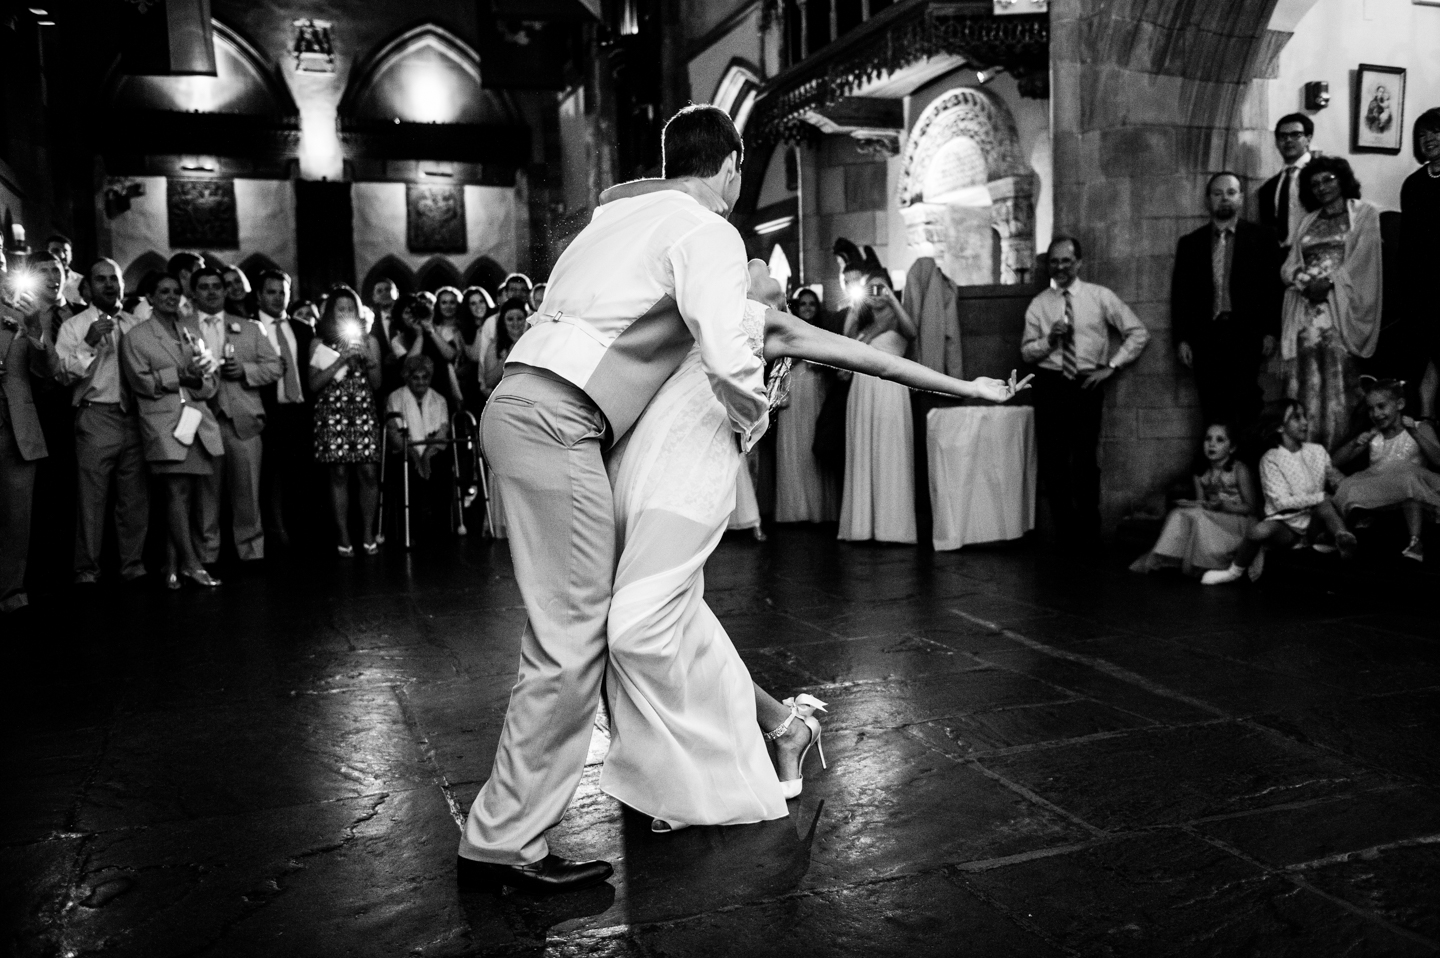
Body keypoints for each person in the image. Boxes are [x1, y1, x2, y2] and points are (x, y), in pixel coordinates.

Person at [1022, 236, 1150, 545]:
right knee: (1053, 461)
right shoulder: (1040, 304)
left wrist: (1113, 366)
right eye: (1054, 261)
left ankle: (1089, 532)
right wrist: (1049, 341)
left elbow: (1137, 332)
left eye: (1066, 261)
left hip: (1085, 385)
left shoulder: (1099, 297)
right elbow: (1026, 353)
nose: (1060, 267)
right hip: (1051, 384)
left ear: (1079, 262)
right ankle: (1065, 532)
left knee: (1084, 460)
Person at [120, 274, 223, 589]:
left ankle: (172, 565)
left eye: (176, 291)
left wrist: (198, 380)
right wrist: (178, 376)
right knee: (176, 491)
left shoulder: (190, 333)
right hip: (161, 419)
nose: (171, 296)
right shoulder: (136, 336)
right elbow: (141, 383)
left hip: (192, 417)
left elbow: (208, 382)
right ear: (150, 297)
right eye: (163, 291)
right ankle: (192, 563)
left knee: (185, 494)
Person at [54, 258, 150, 585]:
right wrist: (89, 342)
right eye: (101, 280)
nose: (109, 285)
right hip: (96, 415)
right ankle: (88, 570)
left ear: (123, 285)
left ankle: (132, 566)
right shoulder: (75, 326)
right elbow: (63, 374)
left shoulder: (137, 325)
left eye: (114, 279)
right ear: (89, 287)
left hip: (135, 417)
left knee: (134, 499)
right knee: (91, 501)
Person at [1281, 156, 1383, 450]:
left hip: (1340, 311)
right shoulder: (1308, 221)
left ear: (1342, 180)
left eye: (1328, 180)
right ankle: (1306, 451)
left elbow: (1363, 262)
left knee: (1337, 380)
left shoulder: (1364, 214)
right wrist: (1301, 278)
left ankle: (1338, 453)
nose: (1322, 187)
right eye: (1314, 184)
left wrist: (1328, 284)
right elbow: (1289, 265)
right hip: (1304, 314)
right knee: (1307, 381)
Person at [1202, 400, 1356, 585]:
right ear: (1280, 427)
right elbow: (1281, 503)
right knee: (1259, 530)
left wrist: (1348, 487)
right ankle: (1234, 571)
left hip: (1315, 520)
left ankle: (1343, 538)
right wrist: (1319, 496)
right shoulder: (1270, 459)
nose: (1305, 422)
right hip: (1288, 523)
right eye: (1296, 418)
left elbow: (1334, 477)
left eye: (1304, 416)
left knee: (1325, 506)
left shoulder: (1317, 451)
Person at [1172, 173, 1281, 431]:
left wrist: (1271, 332)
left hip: (1246, 333)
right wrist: (1182, 338)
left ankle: (1245, 466)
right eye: (1217, 193)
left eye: (1231, 192)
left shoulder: (1262, 238)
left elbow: (1273, 289)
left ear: (1241, 198)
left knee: (1247, 404)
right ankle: (1219, 468)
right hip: (1205, 335)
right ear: (1208, 200)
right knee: (1211, 405)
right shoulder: (1190, 243)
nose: (1224, 199)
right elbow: (1180, 294)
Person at [191, 265, 282, 564]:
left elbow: (275, 367)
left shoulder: (250, 327)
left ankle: (252, 552)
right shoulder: (182, 327)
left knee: (248, 493)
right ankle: (207, 554)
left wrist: (246, 370)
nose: (212, 291)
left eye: (217, 286)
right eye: (204, 286)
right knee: (206, 496)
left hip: (242, 420)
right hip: (200, 421)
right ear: (194, 292)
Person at [838, 268, 920, 544]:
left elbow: (912, 332)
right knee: (864, 450)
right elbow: (844, 340)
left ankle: (892, 526)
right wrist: (857, 303)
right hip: (862, 389)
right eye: (870, 289)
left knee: (891, 449)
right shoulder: (862, 323)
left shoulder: (897, 318)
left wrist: (893, 299)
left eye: (879, 288)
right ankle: (862, 525)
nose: (875, 294)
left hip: (891, 391)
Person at [1331, 377, 1440, 562]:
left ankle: (1416, 542)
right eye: (1371, 409)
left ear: (1399, 404)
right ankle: (1343, 533)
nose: (1376, 413)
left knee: (1406, 476)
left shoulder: (1421, 427)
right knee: (1349, 484)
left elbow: (1438, 460)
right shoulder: (1374, 435)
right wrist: (1355, 444)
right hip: (1383, 493)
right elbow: (1335, 461)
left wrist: (1415, 433)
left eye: (1381, 406)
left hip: (1415, 490)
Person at [309, 285, 382, 556]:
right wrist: (341, 360)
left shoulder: (369, 341)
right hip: (332, 413)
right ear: (331, 313)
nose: (346, 313)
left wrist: (367, 359)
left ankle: (367, 533)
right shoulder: (319, 343)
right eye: (341, 309)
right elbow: (314, 384)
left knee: (368, 472)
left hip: (362, 411)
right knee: (338, 473)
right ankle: (343, 535)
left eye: (350, 308)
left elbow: (377, 384)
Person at [1, 291, 61, 613]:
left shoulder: (24, 310)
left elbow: (48, 371)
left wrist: (37, 331)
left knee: (16, 518)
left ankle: (11, 593)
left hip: (18, 428)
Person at [1130, 423, 1257, 575]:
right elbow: (1201, 502)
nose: (1212, 444)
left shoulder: (1239, 469)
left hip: (1237, 520)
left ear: (1232, 448)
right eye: (1208, 439)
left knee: (1200, 518)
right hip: (1214, 515)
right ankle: (1168, 559)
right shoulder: (1201, 473)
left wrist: (1223, 506)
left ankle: (1204, 564)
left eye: (1219, 440)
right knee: (1178, 513)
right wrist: (1193, 504)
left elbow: (1251, 507)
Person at [255, 268, 314, 550]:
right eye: (271, 292)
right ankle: (275, 532)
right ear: (259, 295)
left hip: (300, 411)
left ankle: (300, 531)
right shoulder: (250, 328)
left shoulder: (303, 329)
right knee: (270, 477)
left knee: (300, 475)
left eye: (283, 292)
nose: (278, 298)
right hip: (268, 412)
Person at [773, 288, 838, 523]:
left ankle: (819, 510)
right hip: (795, 386)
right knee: (794, 445)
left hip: (817, 388)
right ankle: (795, 509)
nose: (808, 308)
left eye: (812, 304)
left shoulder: (822, 331)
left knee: (814, 441)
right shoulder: (788, 329)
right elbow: (781, 358)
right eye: (804, 304)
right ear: (797, 307)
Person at [384, 354, 452, 534]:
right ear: (407, 377)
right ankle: (412, 530)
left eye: (425, 377)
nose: (421, 382)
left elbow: (443, 432)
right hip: (405, 451)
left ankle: (441, 530)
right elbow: (394, 434)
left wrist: (428, 454)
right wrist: (414, 454)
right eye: (416, 378)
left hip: (433, 452)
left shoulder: (440, 399)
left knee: (442, 469)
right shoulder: (395, 398)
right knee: (408, 470)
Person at [1401, 108, 1440, 419]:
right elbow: (1409, 243)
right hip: (1423, 288)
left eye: (1435, 132)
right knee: (1424, 364)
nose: (1428, 139)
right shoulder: (1413, 184)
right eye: (1422, 134)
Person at [1258, 113, 1314, 252]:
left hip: (1315, 255)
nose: (1288, 140)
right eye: (1283, 136)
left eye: (1296, 135)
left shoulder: (1322, 175)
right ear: (1277, 143)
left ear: (1308, 138)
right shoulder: (1269, 187)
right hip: (1280, 257)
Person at [367, 279, 404, 398]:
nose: (384, 293)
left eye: (388, 289)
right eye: (379, 291)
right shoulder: (371, 323)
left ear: (396, 293)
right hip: (385, 383)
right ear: (374, 297)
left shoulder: (406, 317)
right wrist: (383, 360)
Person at [45, 233, 85, 308]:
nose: (62, 255)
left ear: (71, 254)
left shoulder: (82, 282)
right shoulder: (38, 282)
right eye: (55, 251)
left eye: (65, 251)